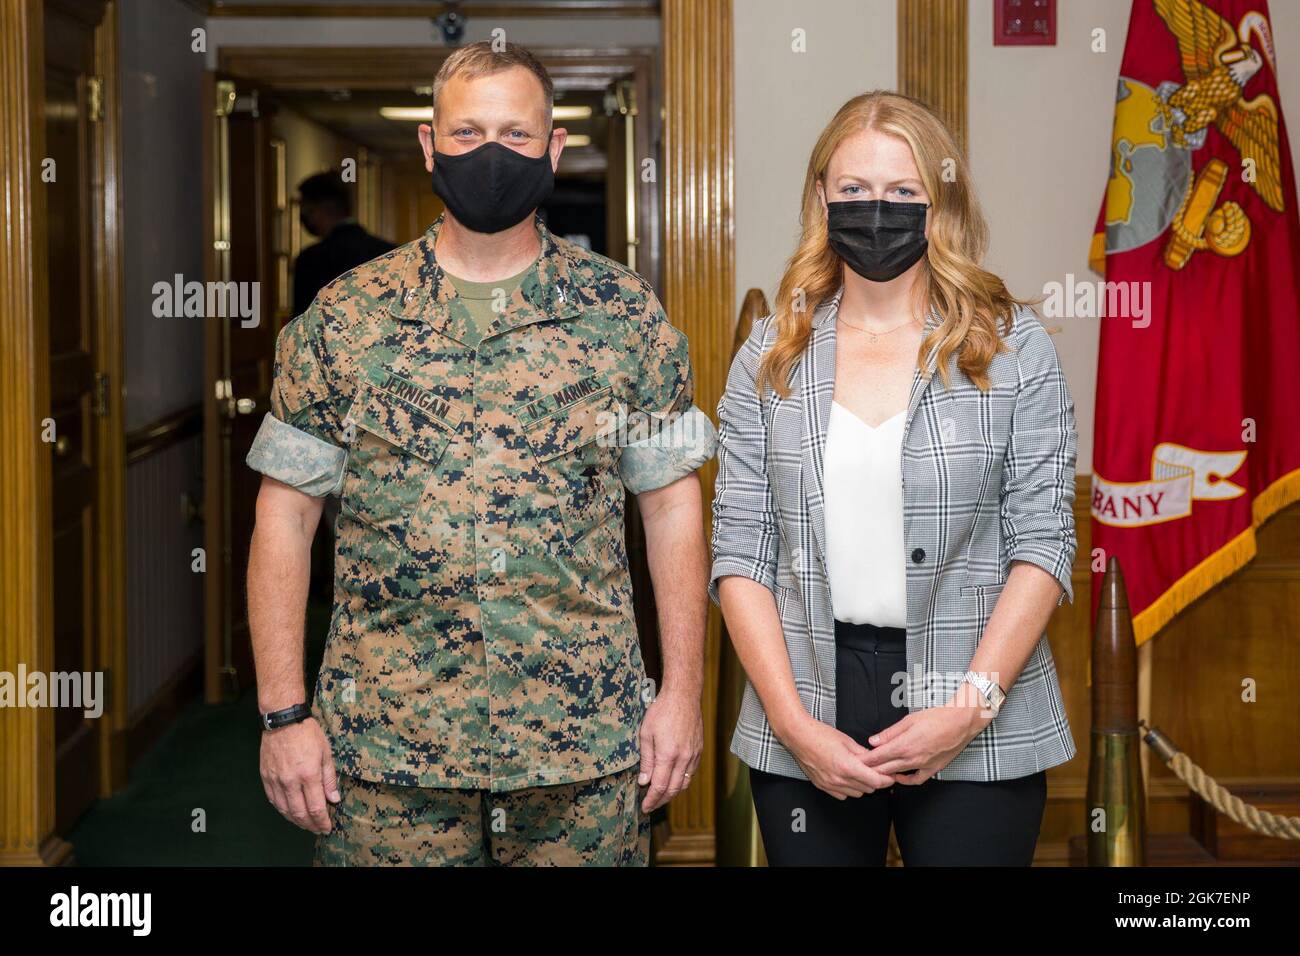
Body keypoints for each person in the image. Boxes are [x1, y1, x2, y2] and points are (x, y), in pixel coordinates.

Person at [245, 41, 716, 866]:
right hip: (389, 757)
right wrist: (284, 717)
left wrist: (682, 693)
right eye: (466, 135)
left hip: (583, 753)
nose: (490, 155)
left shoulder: (625, 315)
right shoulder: (346, 318)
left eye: (515, 134)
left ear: (554, 150)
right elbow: (284, 519)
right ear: (429, 148)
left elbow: (672, 505)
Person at [710, 91, 1078, 866]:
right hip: (809, 700)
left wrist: (968, 709)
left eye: (903, 193)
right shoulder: (768, 357)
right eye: (853, 190)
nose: (875, 210)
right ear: (821, 197)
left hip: (975, 703)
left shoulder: (1014, 349)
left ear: (939, 200)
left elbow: (1042, 545)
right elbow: (742, 552)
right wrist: (792, 723)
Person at [292, 171, 395, 318]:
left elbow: (301, 327)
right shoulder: (390, 252)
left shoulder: (311, 260)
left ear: (319, 210)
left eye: (306, 209)